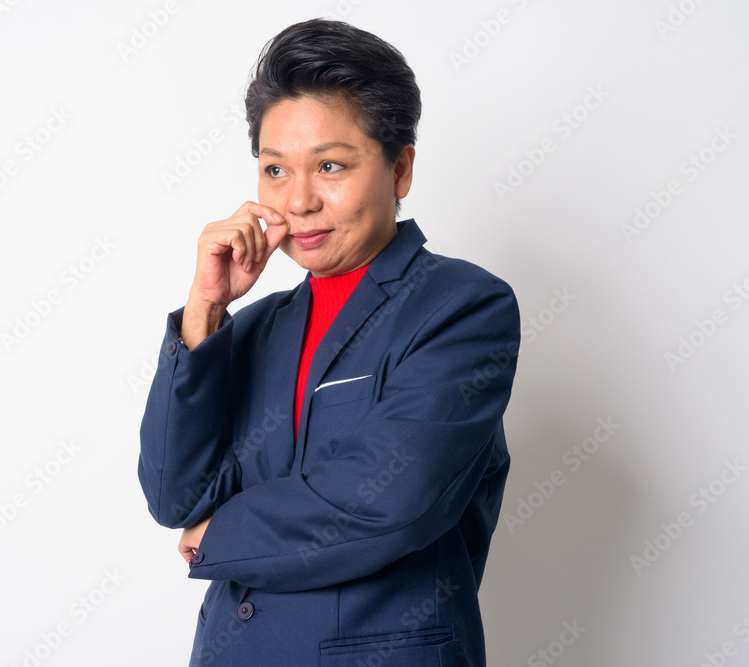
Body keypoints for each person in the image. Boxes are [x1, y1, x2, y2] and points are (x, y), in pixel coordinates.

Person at [138, 18, 519, 667]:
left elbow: (388, 500)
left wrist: (221, 534)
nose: (300, 200)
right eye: (275, 170)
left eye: (331, 165)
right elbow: (175, 496)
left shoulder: (460, 306)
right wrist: (205, 309)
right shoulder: (252, 328)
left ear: (400, 169)